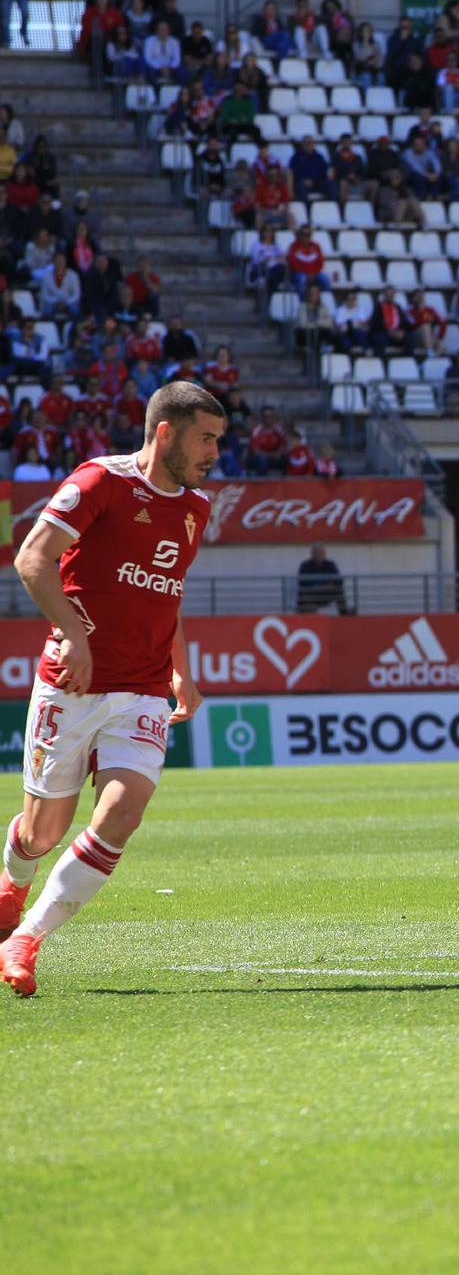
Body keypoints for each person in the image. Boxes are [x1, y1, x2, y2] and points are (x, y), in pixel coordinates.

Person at [0, 382, 226, 996]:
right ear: (165, 432)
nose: (213, 452)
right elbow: (33, 558)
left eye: (218, 441)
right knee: (41, 833)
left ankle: (28, 937)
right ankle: (12, 881)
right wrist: (73, 635)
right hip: (72, 684)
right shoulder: (100, 481)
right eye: (205, 438)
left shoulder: (196, 509)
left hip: (143, 689)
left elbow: (166, 593)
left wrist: (182, 669)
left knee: (124, 809)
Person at [295, 541, 348, 614]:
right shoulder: (305, 566)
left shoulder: (330, 565)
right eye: (317, 553)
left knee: (339, 591)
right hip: (312, 594)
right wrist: (316, 587)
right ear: (312, 554)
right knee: (304, 595)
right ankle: (312, 619)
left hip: (326, 593)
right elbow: (303, 582)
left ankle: (345, 614)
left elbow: (339, 580)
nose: (319, 555)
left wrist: (330, 585)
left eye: (321, 553)